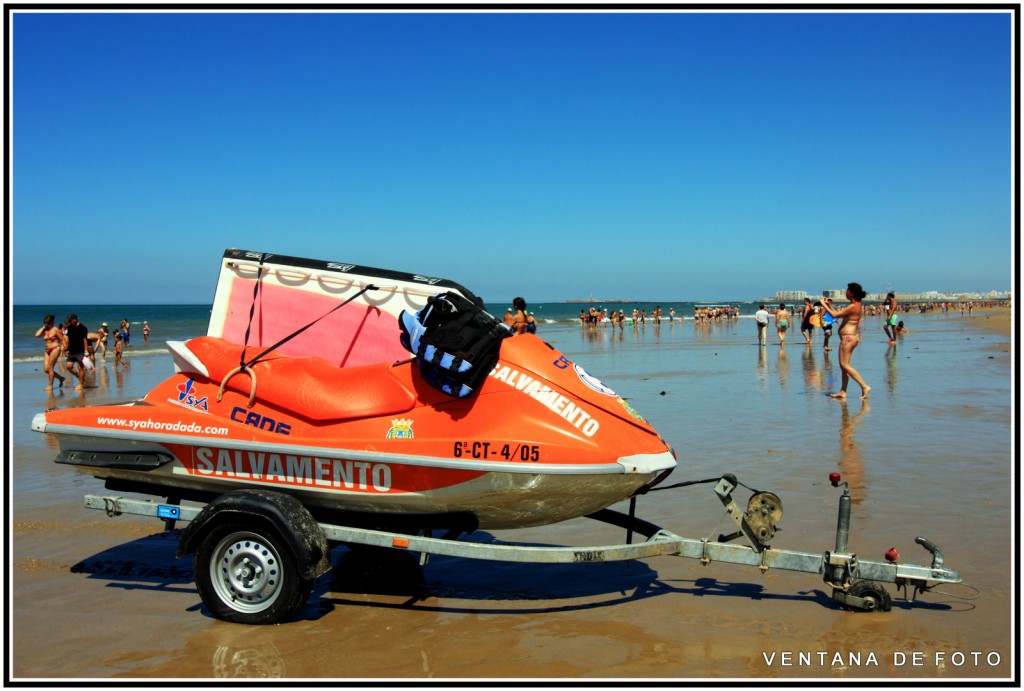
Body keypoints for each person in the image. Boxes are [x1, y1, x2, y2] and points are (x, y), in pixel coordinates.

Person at [820, 282, 871, 399]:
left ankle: (864, 386)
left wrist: (823, 304)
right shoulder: (856, 305)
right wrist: (829, 305)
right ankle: (843, 391)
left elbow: (834, 315)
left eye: (847, 291)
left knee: (845, 365)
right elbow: (840, 314)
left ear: (852, 293)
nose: (845, 292)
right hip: (851, 337)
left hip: (848, 338)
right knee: (844, 366)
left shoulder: (853, 306)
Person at [35, 314, 66, 390]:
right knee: (46, 369)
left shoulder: (56, 330)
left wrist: (65, 351)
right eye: (45, 323)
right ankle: (61, 378)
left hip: (55, 348)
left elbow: (63, 340)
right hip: (47, 350)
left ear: (52, 322)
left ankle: (50, 385)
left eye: (48, 322)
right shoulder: (45, 330)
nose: (47, 324)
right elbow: (37, 335)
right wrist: (43, 327)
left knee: (50, 368)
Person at [64, 313, 90, 390]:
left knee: (81, 368)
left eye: (70, 320)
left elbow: (85, 339)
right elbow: (68, 339)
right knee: (68, 366)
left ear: (75, 319)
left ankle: (80, 384)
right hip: (72, 350)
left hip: (80, 350)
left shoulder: (83, 328)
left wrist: (86, 351)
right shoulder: (69, 327)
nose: (69, 321)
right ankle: (80, 378)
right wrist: (67, 349)